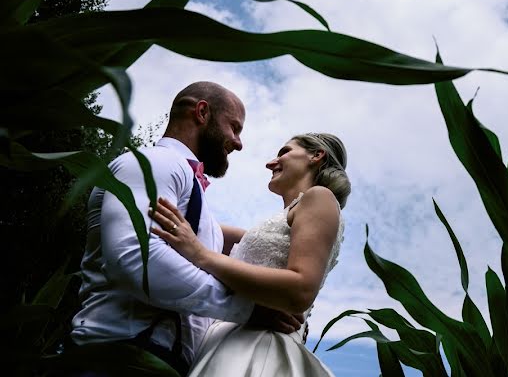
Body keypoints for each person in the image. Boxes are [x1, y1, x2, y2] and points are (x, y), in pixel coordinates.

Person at [65, 82, 304, 377]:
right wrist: (247, 310)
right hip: (119, 356)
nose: (239, 142)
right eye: (234, 127)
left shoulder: (193, 201)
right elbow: (135, 258)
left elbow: (230, 238)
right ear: (202, 112)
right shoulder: (157, 163)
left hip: (158, 362)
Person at [149, 132, 349, 377]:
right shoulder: (264, 229)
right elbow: (199, 227)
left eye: (284, 152)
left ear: (316, 156)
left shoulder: (320, 197)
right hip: (225, 344)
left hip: (259, 348)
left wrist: (202, 255)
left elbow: (301, 288)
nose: (270, 163)